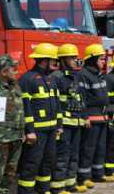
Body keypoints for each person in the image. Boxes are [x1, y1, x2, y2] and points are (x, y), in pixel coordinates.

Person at [17, 43, 63, 194]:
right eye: (53, 61)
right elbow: (26, 107)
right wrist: (29, 131)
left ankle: (43, 190)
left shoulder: (51, 79)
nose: (56, 64)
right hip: (36, 131)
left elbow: (57, 104)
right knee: (32, 163)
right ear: (44, 60)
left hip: (51, 130)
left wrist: (59, 125)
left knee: (48, 161)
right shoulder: (27, 79)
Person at [50, 44, 88, 194]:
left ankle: (70, 184)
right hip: (64, 123)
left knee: (74, 153)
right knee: (63, 155)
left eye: (75, 57)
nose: (75, 60)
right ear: (63, 59)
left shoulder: (76, 76)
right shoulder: (57, 77)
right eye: (72, 57)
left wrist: (84, 117)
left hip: (77, 121)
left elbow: (81, 99)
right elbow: (55, 103)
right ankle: (58, 187)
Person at [0, 55, 24, 194]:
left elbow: (20, 110)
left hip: (16, 137)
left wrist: (22, 132)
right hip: (0, 139)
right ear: (4, 72)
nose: (16, 71)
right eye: (14, 69)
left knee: (10, 173)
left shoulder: (15, 86)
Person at [75, 44, 110, 186]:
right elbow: (81, 98)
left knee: (100, 147)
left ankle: (98, 173)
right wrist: (84, 117)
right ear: (92, 59)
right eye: (101, 59)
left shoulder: (99, 75)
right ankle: (84, 177)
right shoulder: (83, 75)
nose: (104, 62)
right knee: (88, 148)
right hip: (91, 117)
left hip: (102, 117)